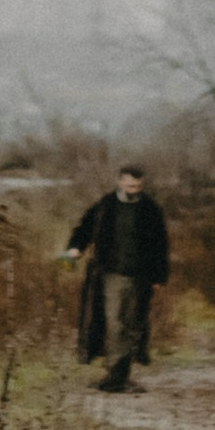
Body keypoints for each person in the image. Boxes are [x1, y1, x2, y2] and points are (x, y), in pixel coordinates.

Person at [62, 163, 171, 393]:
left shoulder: (150, 209)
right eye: (130, 186)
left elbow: (160, 245)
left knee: (133, 325)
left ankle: (118, 375)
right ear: (120, 181)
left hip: (141, 276)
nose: (134, 190)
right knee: (115, 322)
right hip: (110, 274)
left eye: (138, 186)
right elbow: (85, 228)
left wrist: (159, 276)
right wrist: (75, 248)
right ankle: (116, 377)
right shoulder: (106, 205)